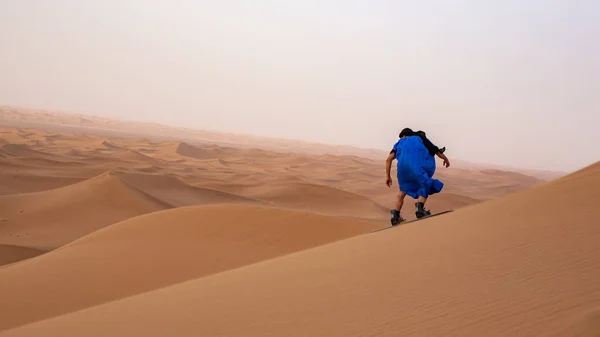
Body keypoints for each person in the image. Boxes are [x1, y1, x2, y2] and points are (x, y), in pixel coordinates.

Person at [385, 128, 450, 225]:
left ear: (404, 135)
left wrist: (388, 176)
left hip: (402, 171)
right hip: (416, 168)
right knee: (425, 185)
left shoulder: (399, 143)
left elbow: (388, 159)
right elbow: (435, 150)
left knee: (402, 191)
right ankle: (420, 209)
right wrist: (445, 159)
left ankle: (395, 216)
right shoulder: (420, 138)